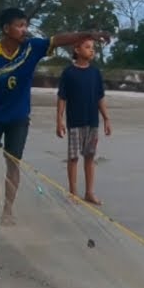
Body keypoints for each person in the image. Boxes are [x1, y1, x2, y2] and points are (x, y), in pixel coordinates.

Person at [0, 7, 110, 224]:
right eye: (19, 25)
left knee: (13, 163)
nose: (24, 30)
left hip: (19, 118)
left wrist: (87, 34)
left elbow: (59, 39)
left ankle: (7, 210)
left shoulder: (32, 48)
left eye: (26, 25)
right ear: (6, 29)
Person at [56, 37, 111, 206]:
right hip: (74, 122)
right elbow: (62, 98)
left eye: (93, 47)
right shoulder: (68, 73)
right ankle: (73, 193)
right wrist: (59, 120)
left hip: (92, 122)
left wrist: (106, 118)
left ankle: (89, 192)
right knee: (73, 158)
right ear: (77, 50)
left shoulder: (95, 73)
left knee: (89, 157)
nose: (92, 50)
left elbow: (100, 97)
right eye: (87, 47)